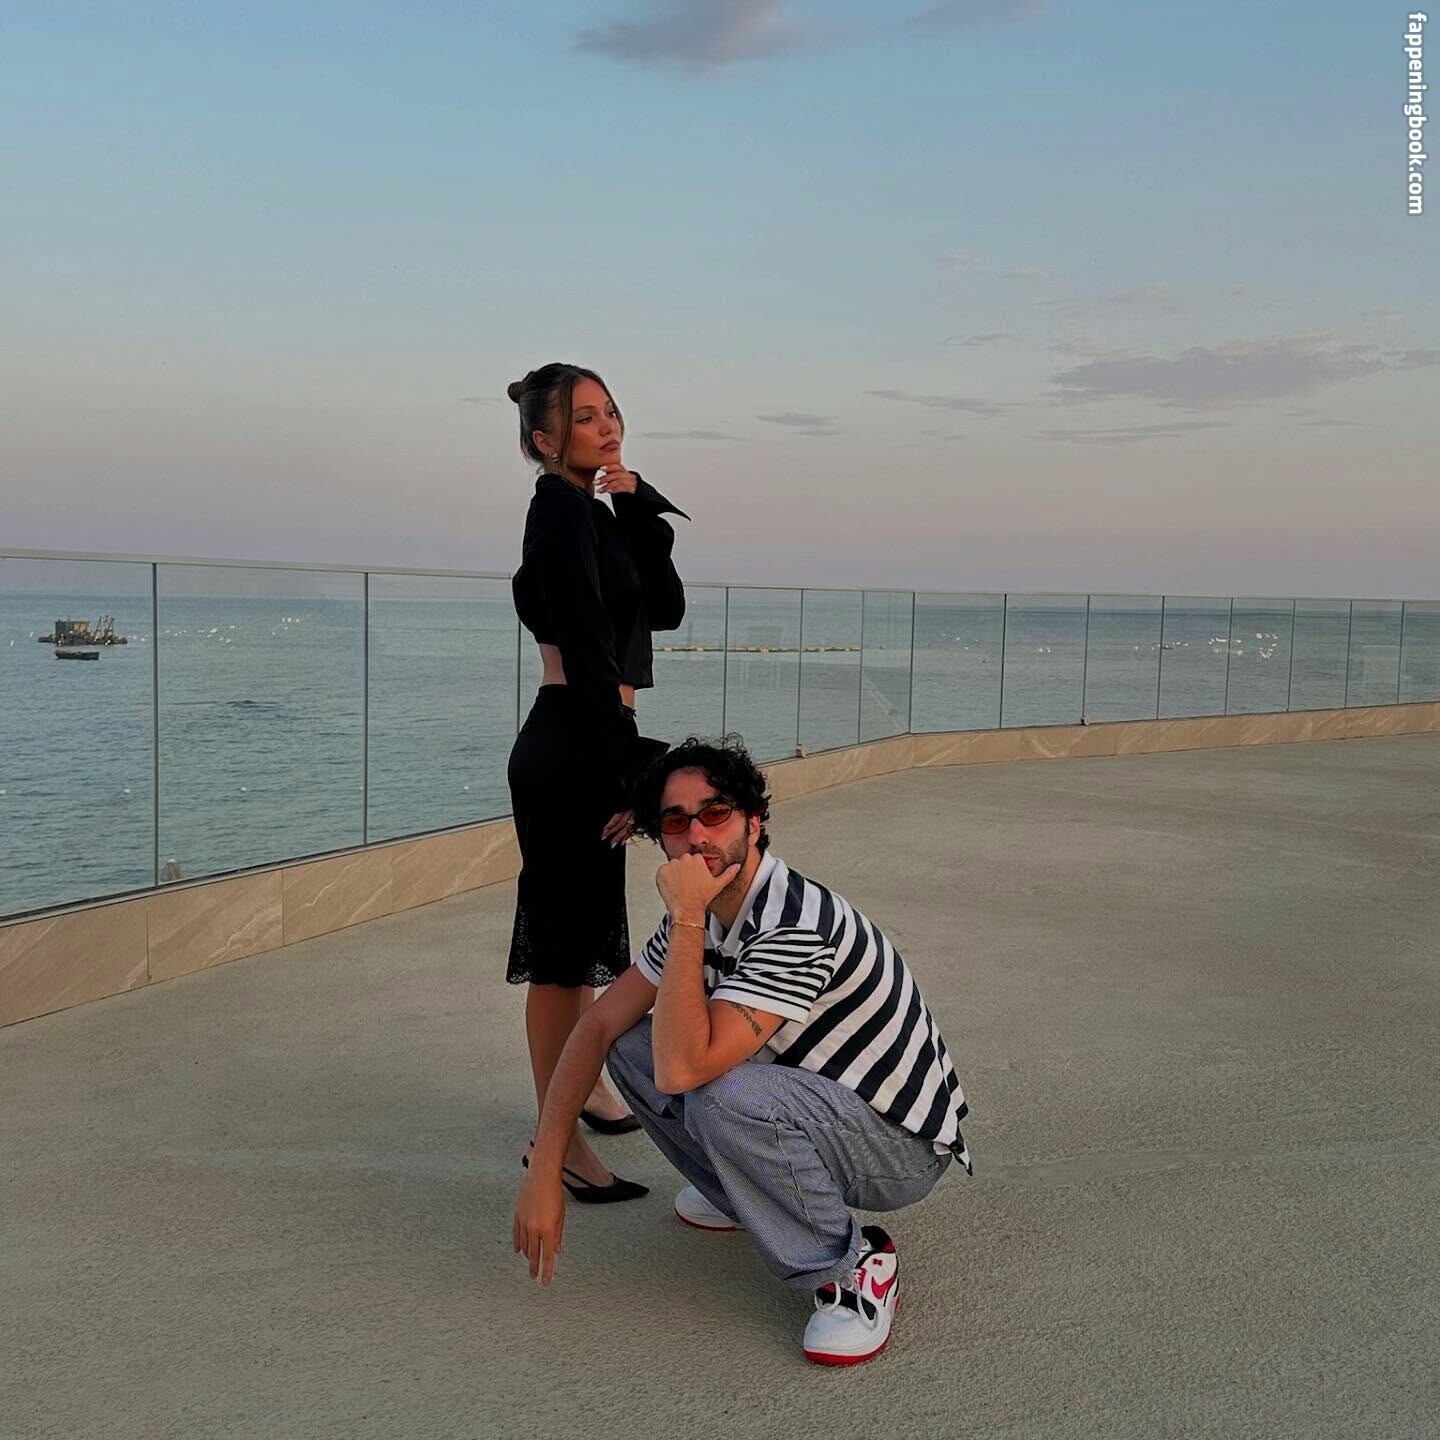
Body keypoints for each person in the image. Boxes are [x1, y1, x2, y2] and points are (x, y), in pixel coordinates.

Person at [513, 737, 972, 1365]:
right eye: (676, 821)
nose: (696, 835)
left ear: (755, 821)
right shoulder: (703, 915)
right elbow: (595, 1027)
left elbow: (685, 1068)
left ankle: (851, 1268)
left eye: (716, 812)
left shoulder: (793, 923)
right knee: (627, 1042)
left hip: (900, 1145)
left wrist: (687, 914)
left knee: (723, 1095)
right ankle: (752, 1192)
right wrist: (546, 1168)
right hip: (818, 1100)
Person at [505, 363, 690, 1203]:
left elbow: (665, 608)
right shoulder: (556, 512)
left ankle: (583, 1093)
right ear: (546, 440)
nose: (608, 426)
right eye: (586, 418)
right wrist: (626, 769)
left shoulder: (594, 511)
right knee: (560, 958)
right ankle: (558, 1145)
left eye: (611, 411)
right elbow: (585, 649)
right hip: (574, 743)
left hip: (586, 737)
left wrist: (638, 501)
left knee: (578, 946)